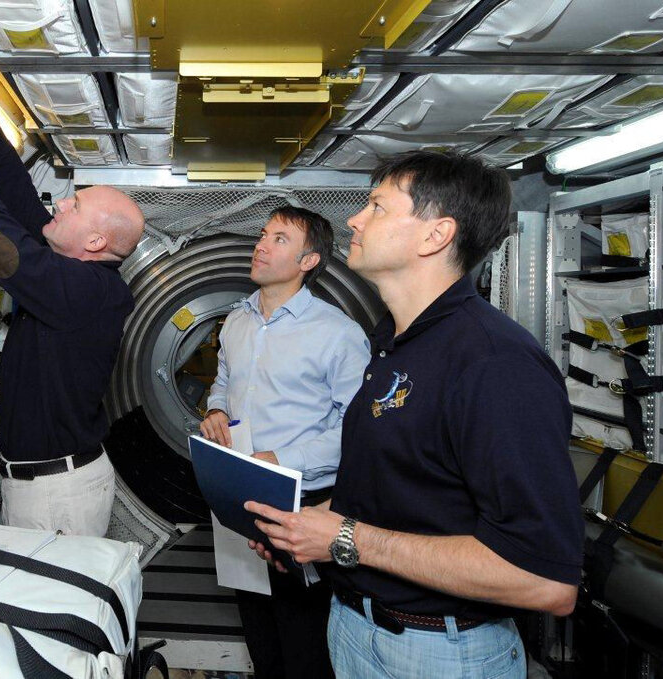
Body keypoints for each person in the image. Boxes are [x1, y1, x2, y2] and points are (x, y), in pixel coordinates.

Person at [246, 151, 584, 678]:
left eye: (377, 207)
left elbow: (545, 581)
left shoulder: (494, 364)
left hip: (441, 655)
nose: (355, 220)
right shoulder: (392, 344)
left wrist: (344, 539)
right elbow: (401, 488)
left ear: (435, 235)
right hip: (355, 629)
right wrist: (304, 529)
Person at [0, 64, 144, 536]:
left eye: (76, 205)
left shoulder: (84, 292)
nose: (63, 203)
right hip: (47, 486)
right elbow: (23, 206)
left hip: (57, 498)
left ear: (94, 242)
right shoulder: (82, 275)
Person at [200, 205, 370, 679]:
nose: (261, 245)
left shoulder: (337, 333)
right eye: (263, 234)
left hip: (306, 505)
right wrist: (216, 410)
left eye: (279, 240)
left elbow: (358, 432)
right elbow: (225, 381)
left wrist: (282, 458)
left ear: (308, 261)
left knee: (304, 644)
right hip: (243, 496)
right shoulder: (238, 320)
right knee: (260, 634)